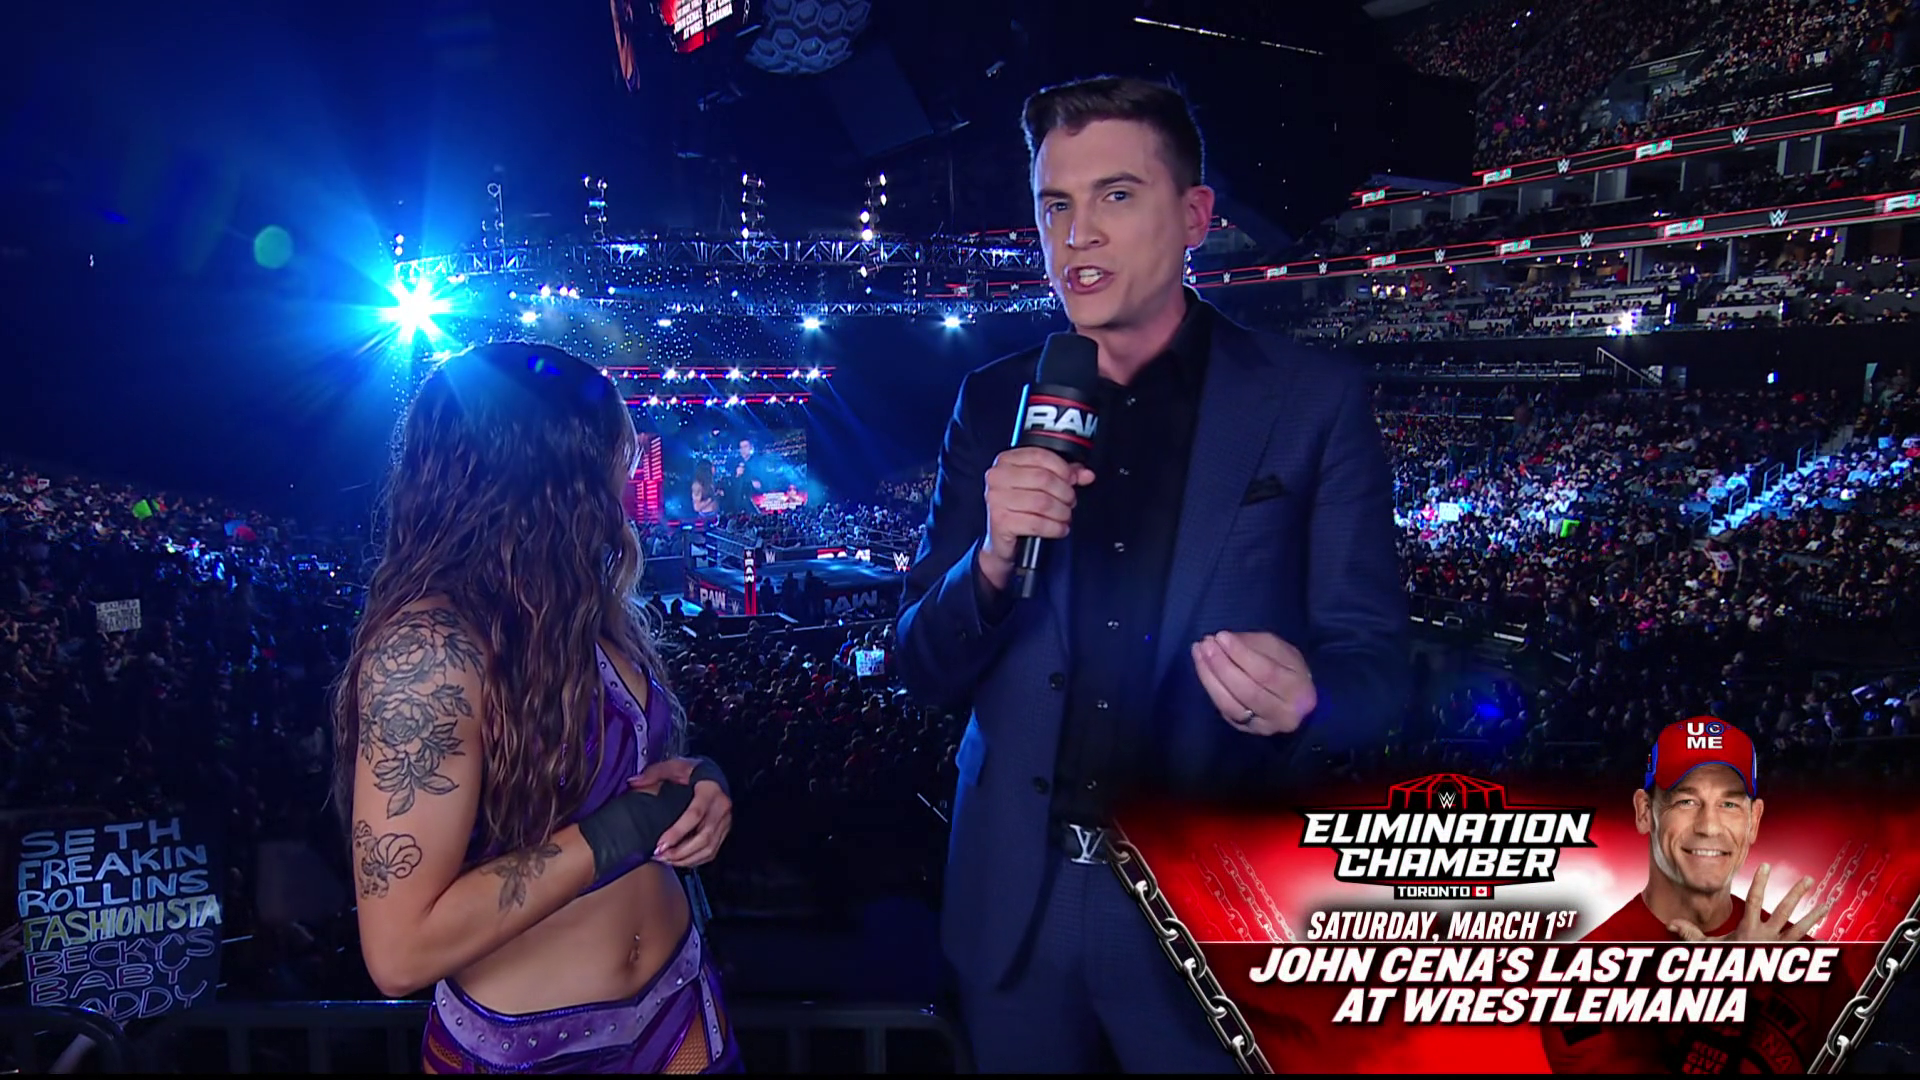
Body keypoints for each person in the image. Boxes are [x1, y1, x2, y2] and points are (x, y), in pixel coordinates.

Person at [893, 76, 1407, 1072]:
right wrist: (990, 560)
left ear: (1195, 217)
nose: (1077, 234)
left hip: (1210, 904)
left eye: (1116, 196)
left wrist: (1312, 696)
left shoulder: (1313, 399)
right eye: (1056, 204)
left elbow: (1377, 668)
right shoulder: (993, 399)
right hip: (1016, 898)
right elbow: (919, 665)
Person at [332, 343, 740, 1073]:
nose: (628, 477)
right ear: (555, 472)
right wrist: (625, 829)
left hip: (680, 1004)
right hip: (530, 1049)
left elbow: (630, 779)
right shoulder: (429, 649)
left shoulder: (583, 608)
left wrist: (697, 784)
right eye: (614, 455)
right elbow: (399, 952)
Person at [1542, 719, 1857, 1073]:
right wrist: (1733, 988)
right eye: (1686, 801)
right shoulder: (1579, 974)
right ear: (1645, 812)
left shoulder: (1814, 967)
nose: (1709, 826)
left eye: (1730, 804)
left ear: (1753, 821)